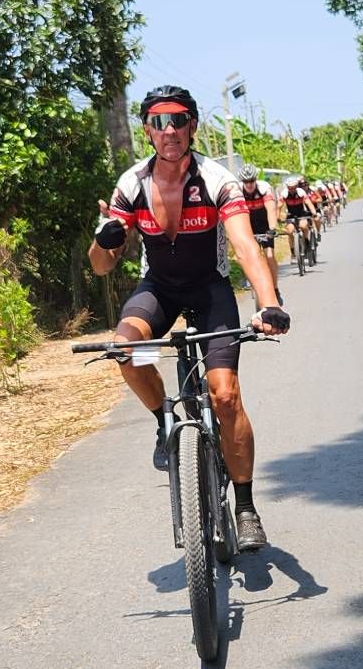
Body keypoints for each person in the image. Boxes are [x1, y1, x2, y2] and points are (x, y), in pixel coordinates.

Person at [90, 86, 288, 551]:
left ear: (193, 126)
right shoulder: (131, 184)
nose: (169, 131)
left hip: (210, 290)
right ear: (147, 131)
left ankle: (245, 507)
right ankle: (163, 420)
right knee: (125, 351)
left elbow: (244, 246)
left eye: (178, 120)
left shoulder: (218, 180)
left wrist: (268, 301)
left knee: (225, 395)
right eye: (158, 122)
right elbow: (102, 265)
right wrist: (105, 238)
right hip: (158, 290)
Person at [238, 166, 278, 267]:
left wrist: (272, 228)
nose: (249, 184)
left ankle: (274, 283)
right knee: (249, 257)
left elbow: (271, 210)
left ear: (256, 179)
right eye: (246, 181)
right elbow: (237, 213)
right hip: (249, 225)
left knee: (269, 256)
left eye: (251, 181)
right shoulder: (237, 191)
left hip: (264, 225)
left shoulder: (264, 188)